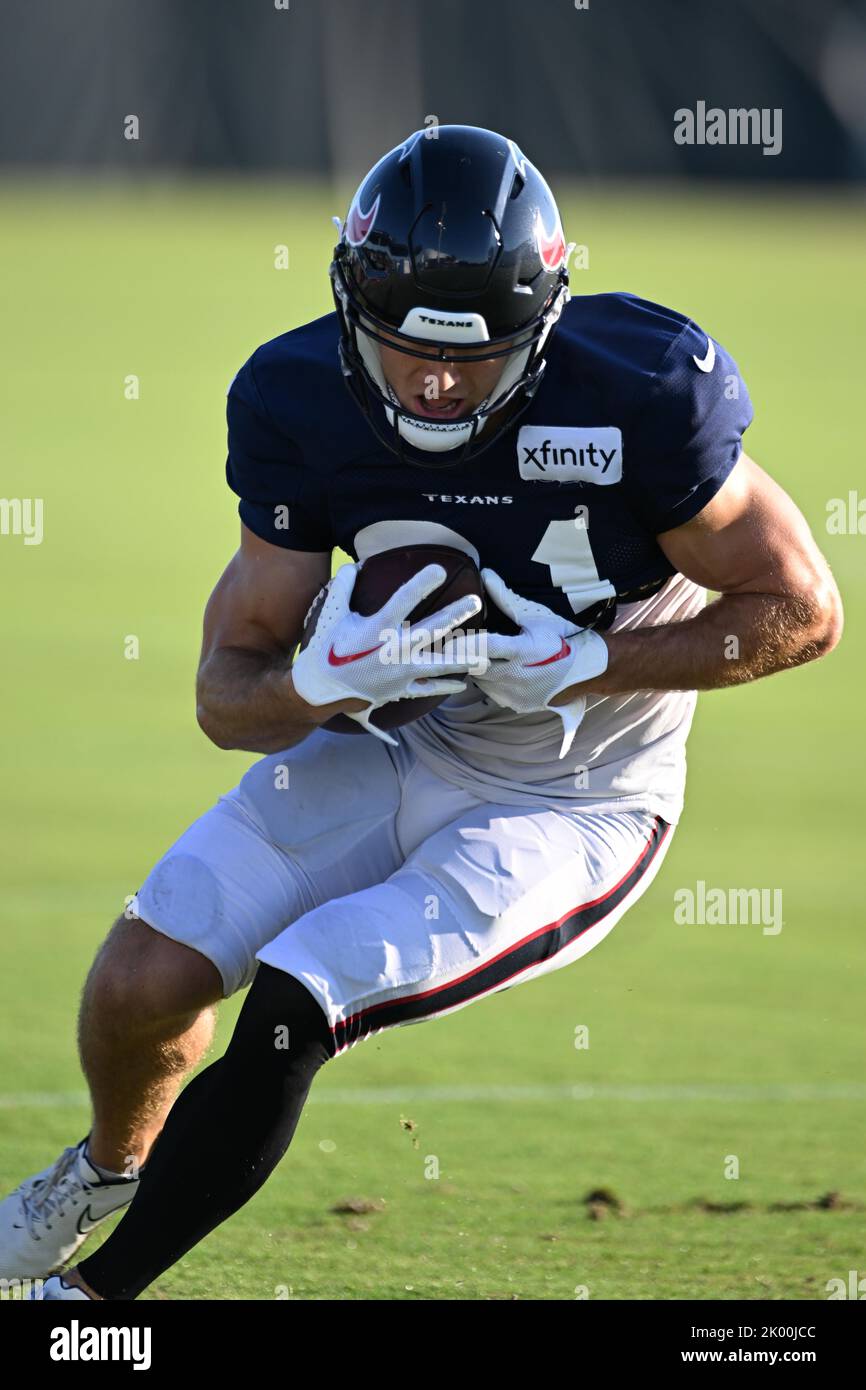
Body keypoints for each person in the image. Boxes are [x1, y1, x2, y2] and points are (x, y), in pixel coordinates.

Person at [2, 125, 841, 1299]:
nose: (438, 384)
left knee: (303, 988)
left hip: (575, 798)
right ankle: (104, 1170)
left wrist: (587, 661)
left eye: (477, 358)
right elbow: (223, 697)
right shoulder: (296, 399)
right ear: (351, 310)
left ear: (542, 330)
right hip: (396, 742)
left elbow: (802, 610)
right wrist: (318, 684)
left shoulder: (642, 393)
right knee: (140, 981)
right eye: (406, 353)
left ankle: (85, 1310)